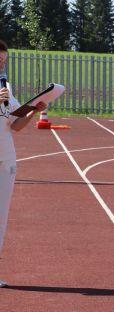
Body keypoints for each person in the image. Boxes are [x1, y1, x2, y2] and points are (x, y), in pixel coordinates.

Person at [0, 40, 47, 288]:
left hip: (5, 158)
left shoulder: (7, 91)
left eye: (4, 61)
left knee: (1, 217)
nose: (1, 66)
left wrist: (32, 111)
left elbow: (15, 125)